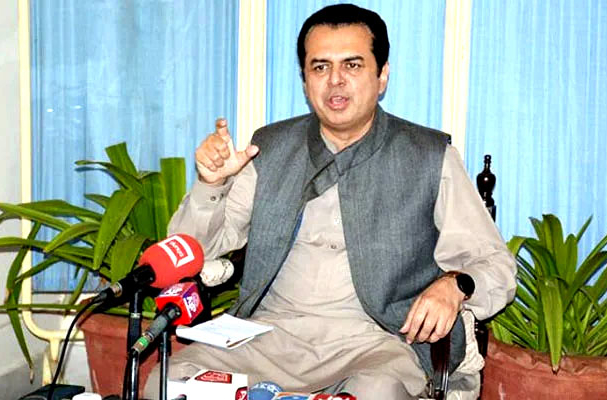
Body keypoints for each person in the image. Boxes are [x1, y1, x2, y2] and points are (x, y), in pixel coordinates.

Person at [144, 4, 516, 399]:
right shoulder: (270, 148)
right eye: (320, 67)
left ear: (382, 75)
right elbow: (193, 253)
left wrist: (454, 285)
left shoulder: (428, 156)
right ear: (305, 80)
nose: (335, 81)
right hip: (268, 337)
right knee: (166, 383)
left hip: (376, 344)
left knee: (378, 391)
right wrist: (212, 184)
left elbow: (495, 265)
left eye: (352, 65)